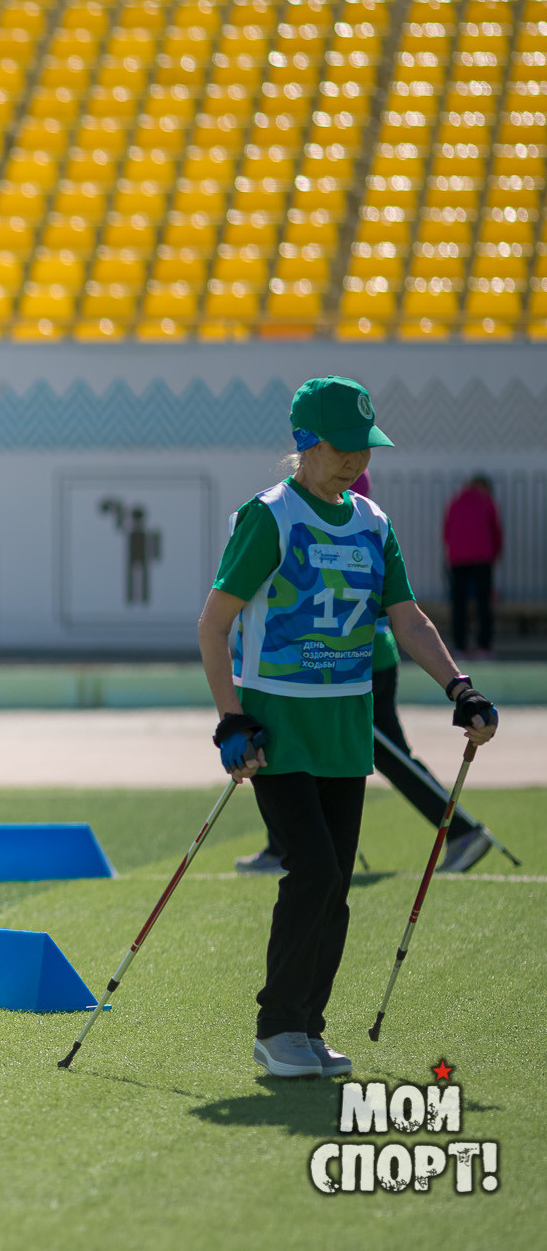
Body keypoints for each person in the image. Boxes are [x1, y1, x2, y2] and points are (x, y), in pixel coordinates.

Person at [198, 377, 498, 1081]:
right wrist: (229, 721)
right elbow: (215, 624)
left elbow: (408, 617)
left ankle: (307, 1028)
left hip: (344, 729)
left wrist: (459, 686)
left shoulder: (373, 522)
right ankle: (276, 1029)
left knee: (335, 887)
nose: (357, 458)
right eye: (344, 445)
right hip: (278, 727)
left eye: (365, 445)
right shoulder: (267, 518)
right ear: (306, 443)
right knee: (316, 869)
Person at [234, 474, 503, 878]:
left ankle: (462, 830)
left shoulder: (357, 517)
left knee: (392, 758)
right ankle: (282, 845)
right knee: (301, 748)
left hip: (365, 665)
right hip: (341, 664)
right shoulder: (302, 511)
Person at [443, 474, 501, 660]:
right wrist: (494, 555)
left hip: (457, 558)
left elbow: (447, 530)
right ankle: (484, 646)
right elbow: (496, 531)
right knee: (483, 602)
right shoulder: (487, 501)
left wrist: (452, 552)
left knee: (459, 603)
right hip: (482, 558)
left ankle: (460, 645)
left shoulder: (455, 501)